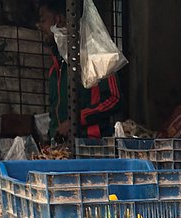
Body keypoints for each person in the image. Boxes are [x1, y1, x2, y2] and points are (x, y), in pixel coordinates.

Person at [37, 0, 121, 141]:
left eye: (43, 20)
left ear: (59, 20)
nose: (39, 26)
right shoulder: (56, 68)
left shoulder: (97, 58)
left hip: (93, 146)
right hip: (61, 149)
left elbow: (114, 99)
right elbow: (54, 114)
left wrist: (75, 120)